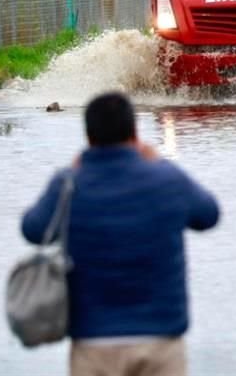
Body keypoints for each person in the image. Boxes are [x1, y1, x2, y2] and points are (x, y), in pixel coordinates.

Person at [21, 92, 220, 376]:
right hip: (160, 339)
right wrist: (160, 162)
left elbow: (32, 230)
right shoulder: (166, 179)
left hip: (93, 343)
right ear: (135, 132)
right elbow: (208, 215)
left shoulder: (67, 185)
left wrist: (71, 173)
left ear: (88, 136)